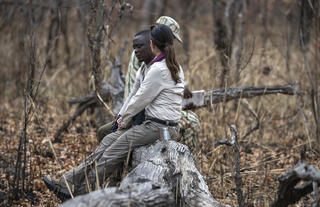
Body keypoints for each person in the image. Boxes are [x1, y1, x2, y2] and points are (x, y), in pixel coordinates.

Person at [44, 25, 184, 199]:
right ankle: (66, 181)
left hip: (160, 128)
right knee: (108, 139)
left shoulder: (159, 69)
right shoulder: (164, 65)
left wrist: (123, 121)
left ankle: (80, 195)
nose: (137, 50)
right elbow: (135, 97)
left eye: (142, 45)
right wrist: (121, 119)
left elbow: (139, 100)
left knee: (112, 152)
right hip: (153, 125)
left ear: (152, 44)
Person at [98, 16, 200, 149]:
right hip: (141, 111)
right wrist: (124, 118)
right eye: (171, 36)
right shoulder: (144, 52)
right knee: (192, 122)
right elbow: (135, 92)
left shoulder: (164, 58)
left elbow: (167, 80)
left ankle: (183, 158)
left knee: (191, 120)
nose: (171, 41)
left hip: (153, 110)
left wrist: (183, 89)